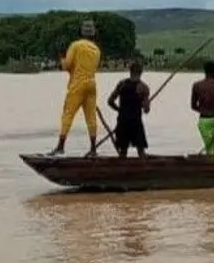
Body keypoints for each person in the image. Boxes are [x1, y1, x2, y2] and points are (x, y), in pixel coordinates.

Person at [49, 18, 102, 156]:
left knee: (68, 114)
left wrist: (61, 60)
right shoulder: (96, 50)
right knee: (91, 117)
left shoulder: (76, 45)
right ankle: (93, 149)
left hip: (78, 84)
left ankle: (60, 146)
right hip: (91, 85)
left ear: (80, 32)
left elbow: (67, 65)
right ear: (93, 34)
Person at [106, 61, 151, 158]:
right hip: (135, 122)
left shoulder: (122, 84)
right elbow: (146, 110)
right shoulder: (143, 87)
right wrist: (145, 103)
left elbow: (110, 101)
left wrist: (119, 110)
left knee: (123, 152)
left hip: (122, 120)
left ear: (130, 71)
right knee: (141, 152)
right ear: (141, 72)